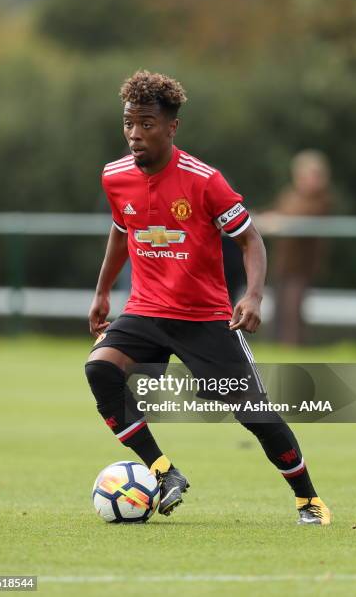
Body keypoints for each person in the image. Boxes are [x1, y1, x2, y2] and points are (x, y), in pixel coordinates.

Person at [85, 70, 330, 525]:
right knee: (100, 369)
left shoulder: (204, 180)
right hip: (145, 310)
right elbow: (121, 232)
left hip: (205, 318)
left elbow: (252, 239)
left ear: (171, 127)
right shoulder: (115, 176)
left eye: (147, 124)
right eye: (128, 123)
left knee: (254, 415)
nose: (135, 134)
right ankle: (163, 472)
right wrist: (102, 293)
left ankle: (308, 499)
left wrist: (254, 297)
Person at [270, 151, 333, 345]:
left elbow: (297, 217)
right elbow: (278, 213)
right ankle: (278, 349)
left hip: (302, 266)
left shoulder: (321, 200)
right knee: (279, 310)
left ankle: (294, 350)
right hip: (283, 264)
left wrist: (279, 221)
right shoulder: (290, 195)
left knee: (293, 310)